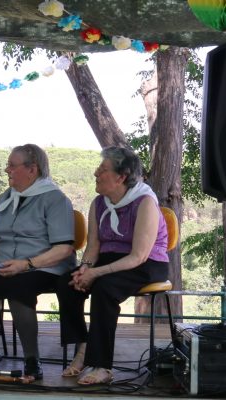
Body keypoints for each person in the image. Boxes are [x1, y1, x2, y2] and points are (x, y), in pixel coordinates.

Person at [56, 146, 169, 386]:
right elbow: (93, 247)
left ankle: (102, 366)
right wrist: (85, 268)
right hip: (111, 258)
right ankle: (84, 346)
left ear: (121, 176)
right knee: (67, 282)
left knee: (104, 289)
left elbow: (138, 256)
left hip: (147, 262)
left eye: (103, 169)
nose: (96, 173)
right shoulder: (99, 203)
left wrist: (96, 273)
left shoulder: (145, 202)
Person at [0, 144, 76, 381]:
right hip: (7, 263)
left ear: (32, 169)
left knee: (19, 284)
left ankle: (32, 358)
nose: (7, 169)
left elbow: (64, 248)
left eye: (12, 165)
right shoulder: (6, 197)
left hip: (44, 265)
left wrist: (26, 264)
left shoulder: (55, 198)